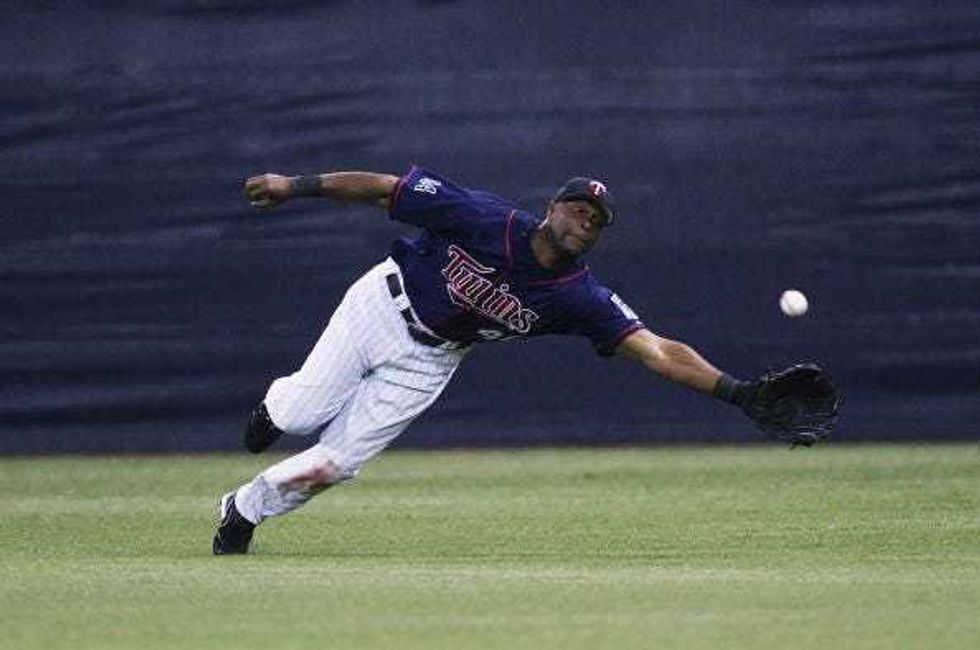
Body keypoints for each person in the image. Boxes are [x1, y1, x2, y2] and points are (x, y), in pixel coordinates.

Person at [212, 166, 840, 554]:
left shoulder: (580, 297)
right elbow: (383, 188)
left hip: (431, 361)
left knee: (333, 465)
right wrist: (293, 187)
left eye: (596, 221)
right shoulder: (484, 217)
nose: (584, 223)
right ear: (551, 208)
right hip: (381, 304)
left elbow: (657, 350)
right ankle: (276, 405)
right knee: (302, 410)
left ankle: (242, 511)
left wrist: (739, 394)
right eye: (577, 209)